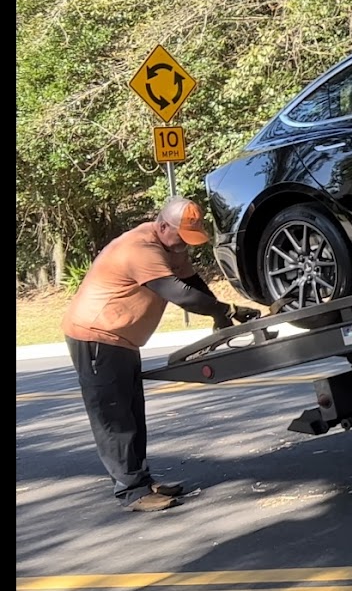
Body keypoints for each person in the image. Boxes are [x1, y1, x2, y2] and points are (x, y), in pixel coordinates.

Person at [60, 196, 261, 512]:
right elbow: (179, 294)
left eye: (190, 238)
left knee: (132, 412)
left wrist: (221, 316)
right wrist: (228, 310)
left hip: (122, 338)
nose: (185, 245)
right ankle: (132, 492)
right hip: (96, 336)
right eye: (181, 236)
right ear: (163, 225)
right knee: (115, 418)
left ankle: (142, 480)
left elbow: (192, 283)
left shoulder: (172, 246)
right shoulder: (140, 248)